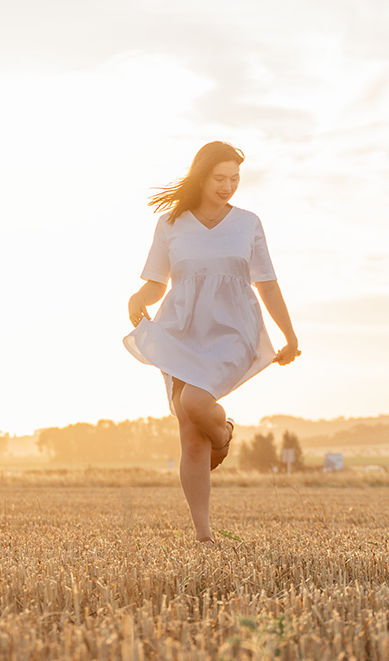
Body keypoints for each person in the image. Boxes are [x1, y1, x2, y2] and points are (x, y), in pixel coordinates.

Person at [124, 141, 300, 542]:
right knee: (188, 431)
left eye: (235, 179)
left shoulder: (248, 223)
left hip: (233, 328)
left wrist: (289, 336)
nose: (228, 186)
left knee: (195, 403)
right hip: (181, 329)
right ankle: (203, 535)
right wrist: (138, 298)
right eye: (220, 178)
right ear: (201, 175)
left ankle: (223, 436)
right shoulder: (170, 223)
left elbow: (268, 284)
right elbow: (156, 283)